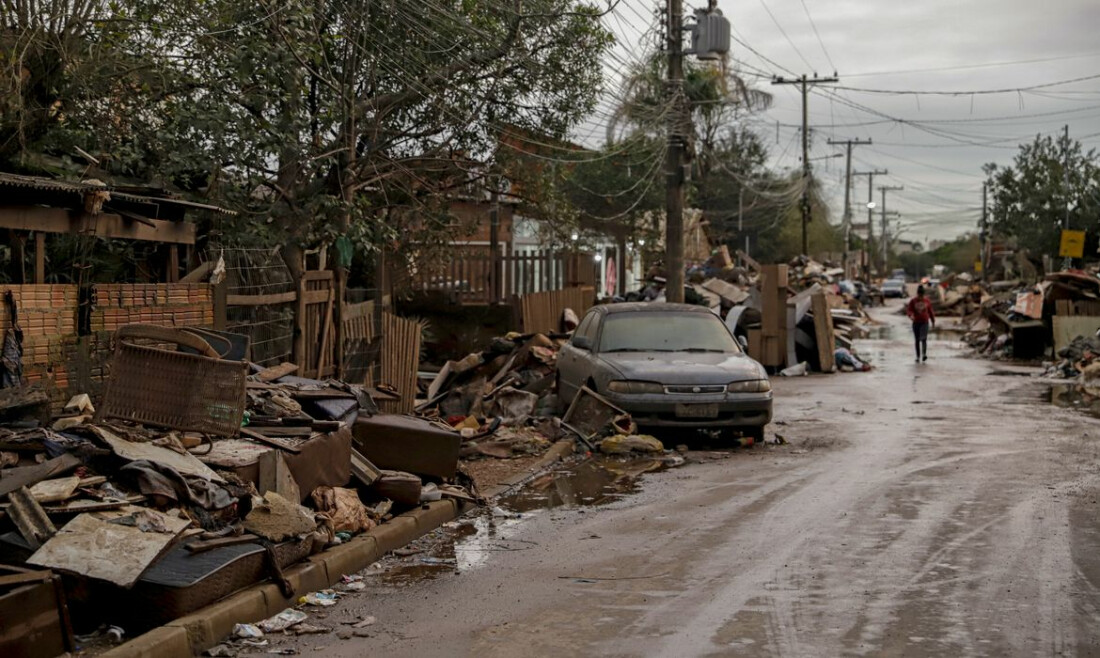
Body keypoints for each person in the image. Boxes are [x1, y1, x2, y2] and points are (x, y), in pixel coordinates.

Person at [906, 285, 935, 362]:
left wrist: (933, 321)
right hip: (916, 323)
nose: (920, 297)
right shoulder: (913, 301)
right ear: (917, 294)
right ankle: (918, 356)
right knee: (917, 340)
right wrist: (911, 315)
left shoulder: (927, 301)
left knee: (924, 339)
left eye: (922, 295)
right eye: (919, 295)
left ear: (923, 294)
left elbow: (930, 311)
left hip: (924, 322)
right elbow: (909, 310)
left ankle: (924, 354)